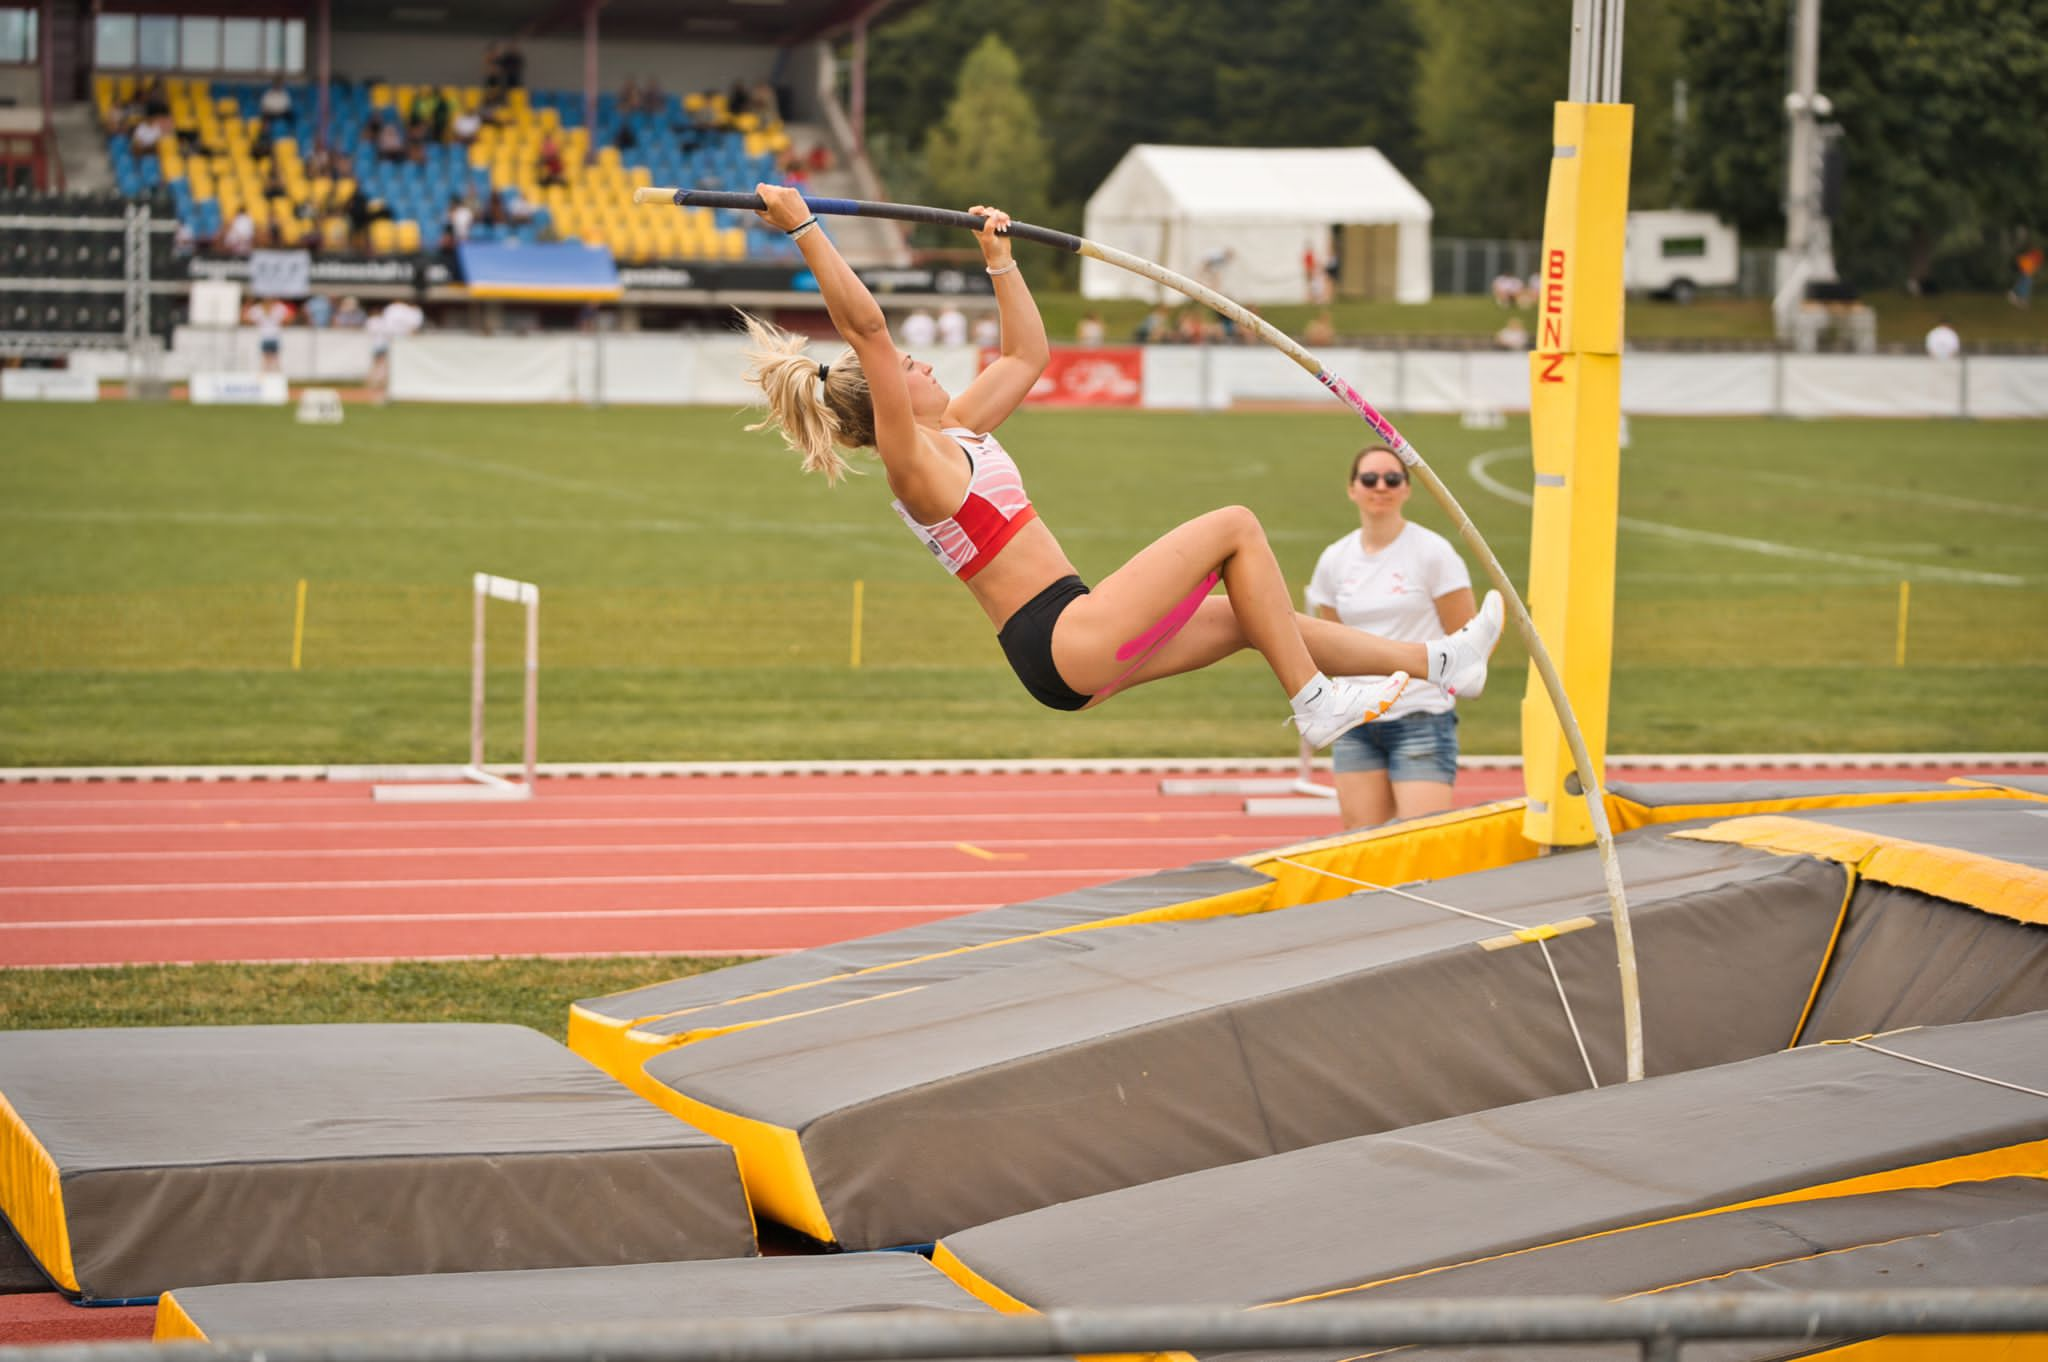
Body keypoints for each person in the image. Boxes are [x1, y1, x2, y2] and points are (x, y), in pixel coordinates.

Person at [738, 183, 1502, 745]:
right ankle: (1314, 701)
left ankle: (1438, 663)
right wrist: (805, 226)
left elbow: (1026, 354)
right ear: (884, 401)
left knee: (1251, 616)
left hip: (1073, 636)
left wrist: (998, 261)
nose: (921, 364)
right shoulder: (915, 467)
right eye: (906, 365)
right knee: (1235, 526)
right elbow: (867, 327)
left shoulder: (960, 430)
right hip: (1063, 634)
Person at [1307, 445, 1479, 829]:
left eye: (1392, 478)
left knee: (1420, 846)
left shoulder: (1434, 553)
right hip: (1357, 722)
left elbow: (1467, 638)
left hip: (1421, 719)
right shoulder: (1335, 559)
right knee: (1361, 846)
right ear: (1352, 489)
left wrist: (1446, 683)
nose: (1380, 486)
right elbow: (1331, 643)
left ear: (1406, 489)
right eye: (1369, 479)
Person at [366, 299, 424, 402]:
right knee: (382, 366)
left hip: (389, 344)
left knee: (382, 366)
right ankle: (376, 387)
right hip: (386, 344)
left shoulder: (389, 315)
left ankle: (378, 387)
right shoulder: (383, 317)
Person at [249, 298, 290, 373]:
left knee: (275, 359)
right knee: (266, 360)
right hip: (266, 337)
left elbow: (287, 319)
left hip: (273, 336)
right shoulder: (259, 309)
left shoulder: (278, 308)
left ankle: (276, 376)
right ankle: (267, 376)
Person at [2012, 242, 2042, 308]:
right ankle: (2019, 297)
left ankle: (2020, 298)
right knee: (2025, 284)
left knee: (2025, 283)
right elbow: (2023, 263)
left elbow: (2034, 264)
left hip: (2027, 271)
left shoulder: (2032, 255)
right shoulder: (2029, 255)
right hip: (2026, 271)